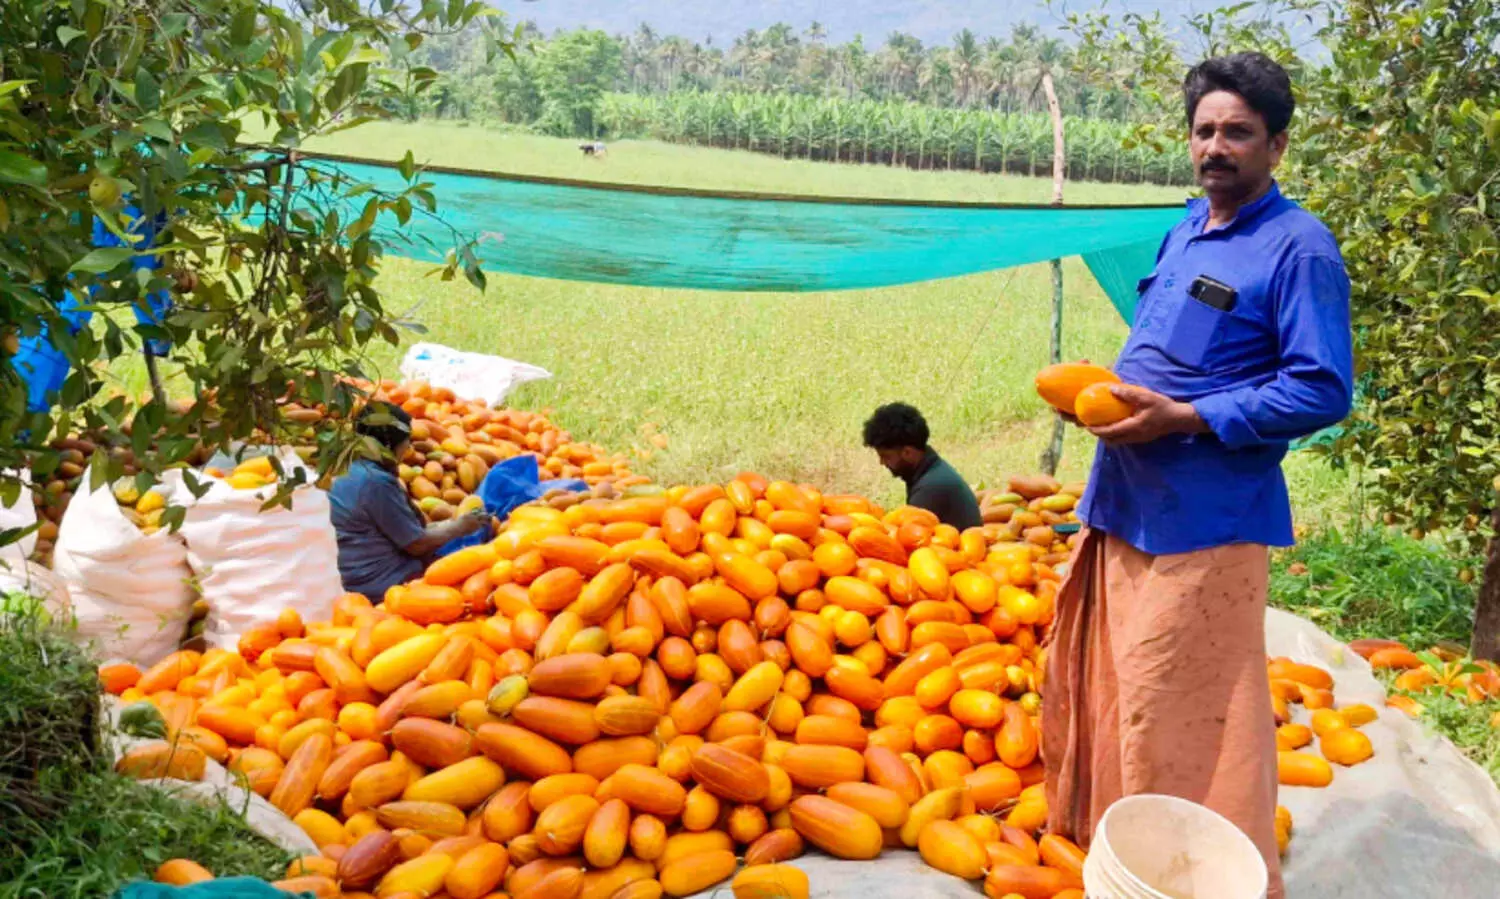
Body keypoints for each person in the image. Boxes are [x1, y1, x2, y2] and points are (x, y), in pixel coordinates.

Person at [1043, 52, 1353, 899]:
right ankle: (1127, 859)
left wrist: (1185, 417)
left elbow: (1323, 386)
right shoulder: (1188, 227)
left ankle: (1206, 877)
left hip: (1205, 520)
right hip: (1126, 503)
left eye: (1239, 132)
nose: (1217, 146)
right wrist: (1104, 402)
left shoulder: (1298, 248)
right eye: (1206, 130)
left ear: (1277, 146)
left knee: (1192, 714)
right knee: (1124, 699)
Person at [329, 402, 492, 603]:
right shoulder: (375, 482)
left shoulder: (349, 467)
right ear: (389, 443)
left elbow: (400, 531)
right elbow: (415, 544)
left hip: (353, 576)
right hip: (381, 585)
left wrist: (450, 525)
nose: (409, 447)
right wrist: (460, 527)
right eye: (406, 440)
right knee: (475, 567)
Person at [862, 403, 982, 530]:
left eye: (885, 456)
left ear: (907, 452)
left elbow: (909, 536)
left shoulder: (930, 488)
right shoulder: (929, 470)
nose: (882, 462)